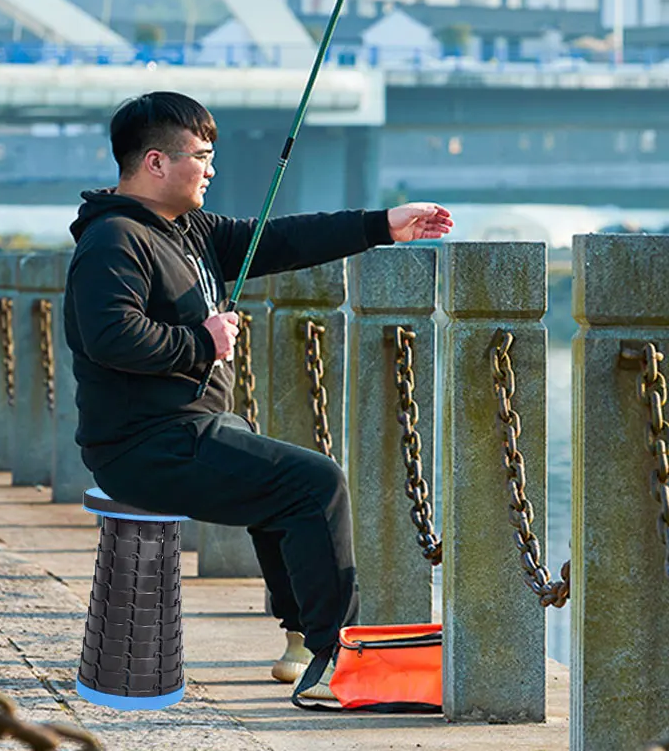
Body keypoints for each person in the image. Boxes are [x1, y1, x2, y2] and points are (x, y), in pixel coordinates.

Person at [64, 91, 453, 700]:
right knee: (315, 483)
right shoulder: (114, 240)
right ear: (156, 163)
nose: (211, 169)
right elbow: (110, 337)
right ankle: (335, 655)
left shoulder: (187, 230)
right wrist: (202, 339)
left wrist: (383, 225)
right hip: (143, 447)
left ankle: (304, 643)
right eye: (201, 156)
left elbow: (278, 239)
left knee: (276, 479)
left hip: (188, 431)